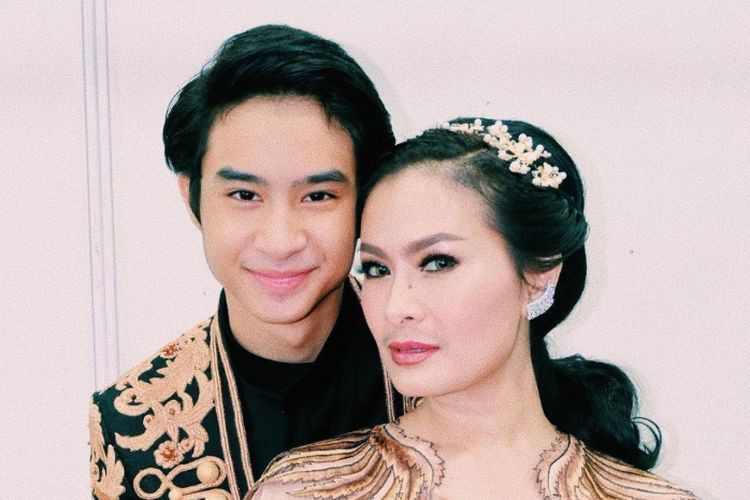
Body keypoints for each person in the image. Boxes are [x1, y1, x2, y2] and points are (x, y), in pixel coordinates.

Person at [248, 118, 697, 499]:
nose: (396, 307)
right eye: (377, 269)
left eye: (438, 263)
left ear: (538, 276)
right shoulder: (303, 490)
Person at [88, 24, 402, 499]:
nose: (281, 242)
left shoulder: (443, 372)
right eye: (244, 195)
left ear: (365, 199)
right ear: (192, 198)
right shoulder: (131, 427)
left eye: (318, 195)